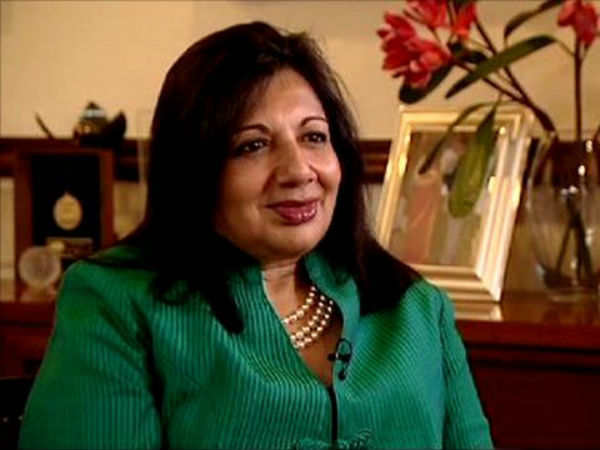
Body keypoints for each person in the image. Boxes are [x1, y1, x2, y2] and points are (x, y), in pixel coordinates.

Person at [19, 22, 493, 450]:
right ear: (195, 172)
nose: (298, 170)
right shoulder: (116, 303)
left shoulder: (418, 310)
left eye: (313, 136)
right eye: (253, 145)